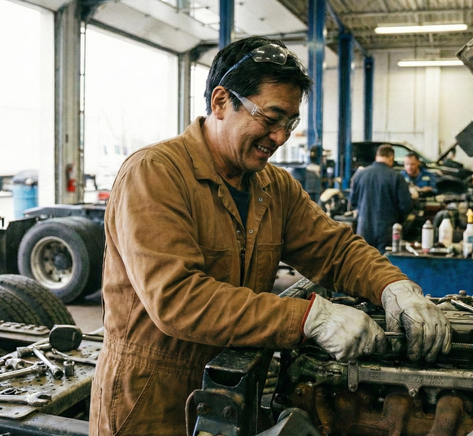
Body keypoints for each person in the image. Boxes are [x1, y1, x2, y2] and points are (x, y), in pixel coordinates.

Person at [90, 36, 450, 436]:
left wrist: (394, 287)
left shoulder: (273, 186)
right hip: (156, 399)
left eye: (290, 123)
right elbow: (177, 298)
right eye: (270, 118)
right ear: (221, 101)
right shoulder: (155, 174)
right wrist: (308, 317)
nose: (280, 137)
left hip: (235, 390)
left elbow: (334, 249)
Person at [349, 144, 412, 253]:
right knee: (384, 266)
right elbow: (406, 206)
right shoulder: (396, 177)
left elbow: (353, 202)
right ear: (391, 158)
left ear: (376, 157)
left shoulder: (360, 175)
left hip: (364, 229)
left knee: (363, 264)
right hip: (387, 232)